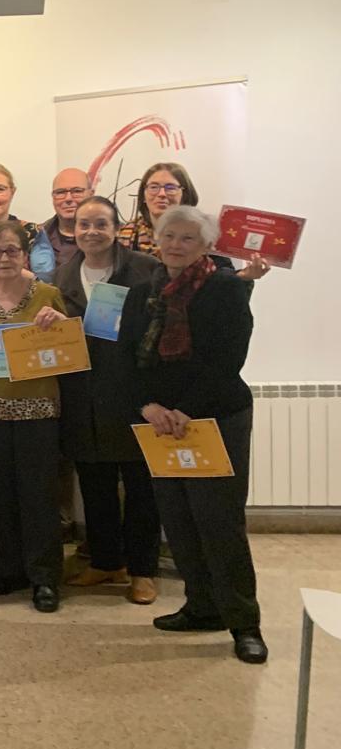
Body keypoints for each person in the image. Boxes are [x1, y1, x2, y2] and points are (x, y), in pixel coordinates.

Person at [119, 205, 265, 663]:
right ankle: (201, 607)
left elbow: (228, 359)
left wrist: (187, 410)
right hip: (160, 423)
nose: (176, 245)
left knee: (219, 523)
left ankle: (244, 623)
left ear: (206, 245)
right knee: (179, 520)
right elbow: (126, 358)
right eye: (169, 236)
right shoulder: (141, 293)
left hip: (216, 418)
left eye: (187, 238)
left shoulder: (225, 288)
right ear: (157, 241)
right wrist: (148, 407)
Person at [0, 222, 70, 613]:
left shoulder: (48, 294)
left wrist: (59, 325)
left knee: (39, 494)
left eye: (12, 250)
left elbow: (70, 351)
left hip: (37, 407)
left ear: (25, 254)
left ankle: (44, 576)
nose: (4, 258)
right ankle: (11, 568)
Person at [52, 196, 163, 604]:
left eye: (101, 223)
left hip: (135, 394)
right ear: (74, 230)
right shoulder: (60, 277)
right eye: (84, 224)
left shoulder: (146, 269)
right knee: (95, 486)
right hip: (82, 395)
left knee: (141, 488)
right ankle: (105, 561)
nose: (92, 232)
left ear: (116, 229)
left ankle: (142, 569)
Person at [118, 160, 270, 282]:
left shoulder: (204, 232)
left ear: (184, 194)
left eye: (170, 187)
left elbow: (223, 279)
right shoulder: (124, 234)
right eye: (154, 187)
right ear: (143, 195)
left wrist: (244, 276)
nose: (162, 194)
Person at [29, 168, 90, 275]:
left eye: (77, 191)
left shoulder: (113, 236)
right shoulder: (34, 237)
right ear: (53, 197)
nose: (68, 198)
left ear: (91, 194)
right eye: (60, 192)